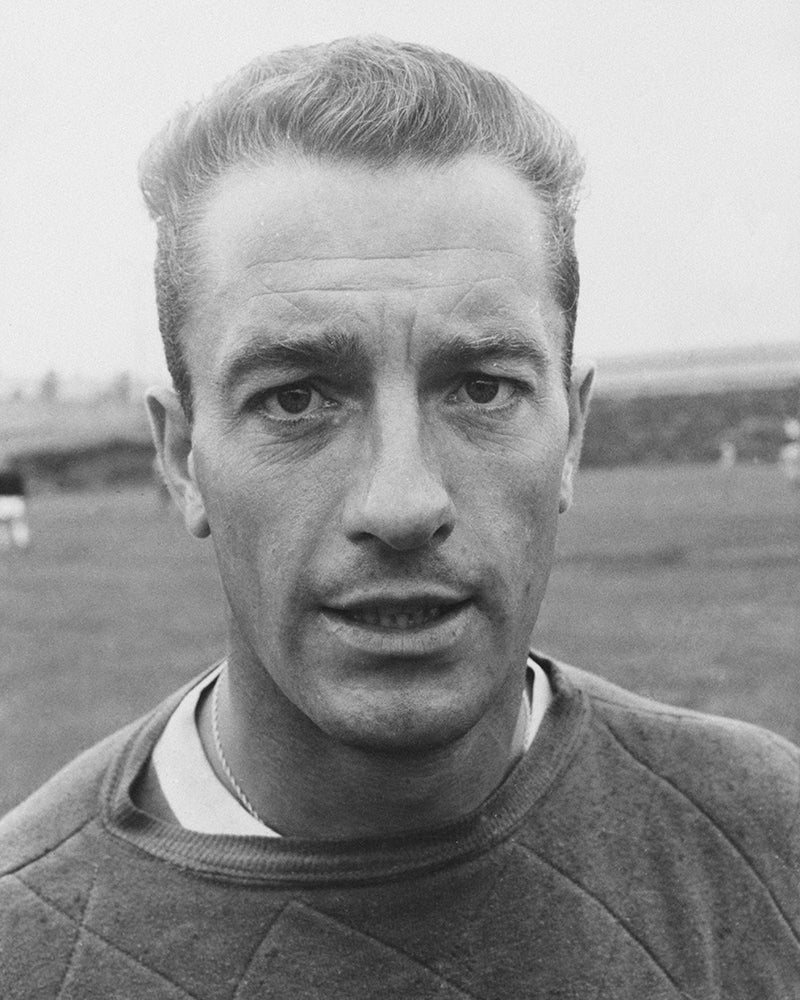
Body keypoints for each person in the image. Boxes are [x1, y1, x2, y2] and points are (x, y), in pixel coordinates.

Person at [1, 38, 797, 997]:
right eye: (296, 398)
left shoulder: (767, 840)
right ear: (182, 461)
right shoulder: (26, 940)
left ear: (573, 434)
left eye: (482, 388)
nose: (403, 502)